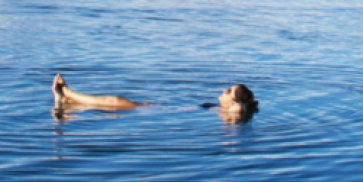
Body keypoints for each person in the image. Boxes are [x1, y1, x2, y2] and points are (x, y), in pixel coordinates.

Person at [52, 74, 258, 121]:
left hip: (165, 112)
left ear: (235, 101)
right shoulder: (226, 108)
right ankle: (68, 100)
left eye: (228, 91)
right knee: (114, 104)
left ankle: (70, 95)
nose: (223, 91)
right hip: (165, 108)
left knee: (115, 103)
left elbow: (240, 109)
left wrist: (238, 103)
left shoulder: (235, 109)